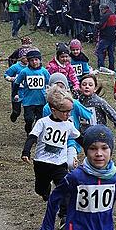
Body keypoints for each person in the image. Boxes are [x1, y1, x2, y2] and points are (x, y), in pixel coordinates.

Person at [22, 85, 80, 222]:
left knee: (66, 186)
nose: (68, 115)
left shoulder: (68, 124)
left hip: (59, 164)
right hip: (42, 163)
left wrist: (92, 147)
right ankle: (44, 190)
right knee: (40, 189)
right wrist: (26, 151)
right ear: (54, 110)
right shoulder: (43, 122)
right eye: (65, 112)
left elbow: (79, 138)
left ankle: (64, 216)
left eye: (70, 111)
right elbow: (32, 137)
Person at [14, 48, 51, 134]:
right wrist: (15, 94)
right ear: (28, 61)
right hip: (28, 101)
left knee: (40, 120)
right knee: (29, 119)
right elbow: (16, 83)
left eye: (36, 60)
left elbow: (50, 84)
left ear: (40, 60)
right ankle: (28, 130)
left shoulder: (44, 72)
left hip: (41, 100)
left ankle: (36, 134)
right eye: (31, 60)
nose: (34, 62)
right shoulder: (24, 72)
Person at [5, 46, 30, 123]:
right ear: (20, 57)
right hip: (17, 92)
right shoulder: (15, 67)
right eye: (24, 57)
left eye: (28, 57)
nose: (26, 59)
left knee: (28, 110)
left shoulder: (31, 67)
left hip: (28, 92)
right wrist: (10, 78)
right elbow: (6, 74)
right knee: (17, 111)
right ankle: (14, 114)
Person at [96, 3, 116, 70]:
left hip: (105, 36)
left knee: (99, 51)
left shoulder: (106, 16)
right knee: (111, 53)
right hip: (112, 37)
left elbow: (101, 26)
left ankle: (101, 66)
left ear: (103, 9)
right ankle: (111, 67)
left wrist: (96, 26)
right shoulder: (114, 15)